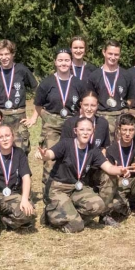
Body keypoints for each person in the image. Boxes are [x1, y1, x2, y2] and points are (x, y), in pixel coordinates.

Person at [38, 117, 131, 232]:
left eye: (88, 129)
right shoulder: (66, 143)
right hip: (58, 188)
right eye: (82, 129)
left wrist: (120, 170)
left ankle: (69, 213)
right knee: (76, 227)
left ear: (93, 131)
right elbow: (50, 154)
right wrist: (44, 155)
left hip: (77, 188)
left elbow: (109, 167)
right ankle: (50, 214)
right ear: (76, 131)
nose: (85, 132)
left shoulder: (93, 150)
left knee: (99, 206)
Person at [34, 49, 86, 184]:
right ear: (55, 62)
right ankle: (48, 193)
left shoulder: (79, 83)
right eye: (60, 60)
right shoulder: (47, 83)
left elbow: (84, 106)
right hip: (51, 127)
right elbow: (38, 105)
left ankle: (70, 189)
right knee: (50, 158)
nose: (64, 63)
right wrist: (47, 119)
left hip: (72, 125)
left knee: (72, 157)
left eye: (67, 60)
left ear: (71, 62)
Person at [87, 40, 129, 136]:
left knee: (121, 149)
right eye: (110, 53)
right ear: (103, 52)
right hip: (101, 117)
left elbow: (130, 99)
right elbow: (91, 99)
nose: (113, 57)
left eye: (116, 54)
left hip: (121, 117)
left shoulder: (126, 75)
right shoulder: (94, 75)